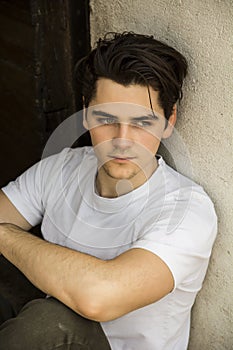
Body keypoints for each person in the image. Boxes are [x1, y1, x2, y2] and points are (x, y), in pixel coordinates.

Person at [0, 32, 217, 349]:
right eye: (106, 119)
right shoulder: (62, 169)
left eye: (142, 122)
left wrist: (4, 236)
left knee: (47, 322)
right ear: (86, 112)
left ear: (168, 121)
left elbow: (97, 300)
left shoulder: (186, 210)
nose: (122, 140)